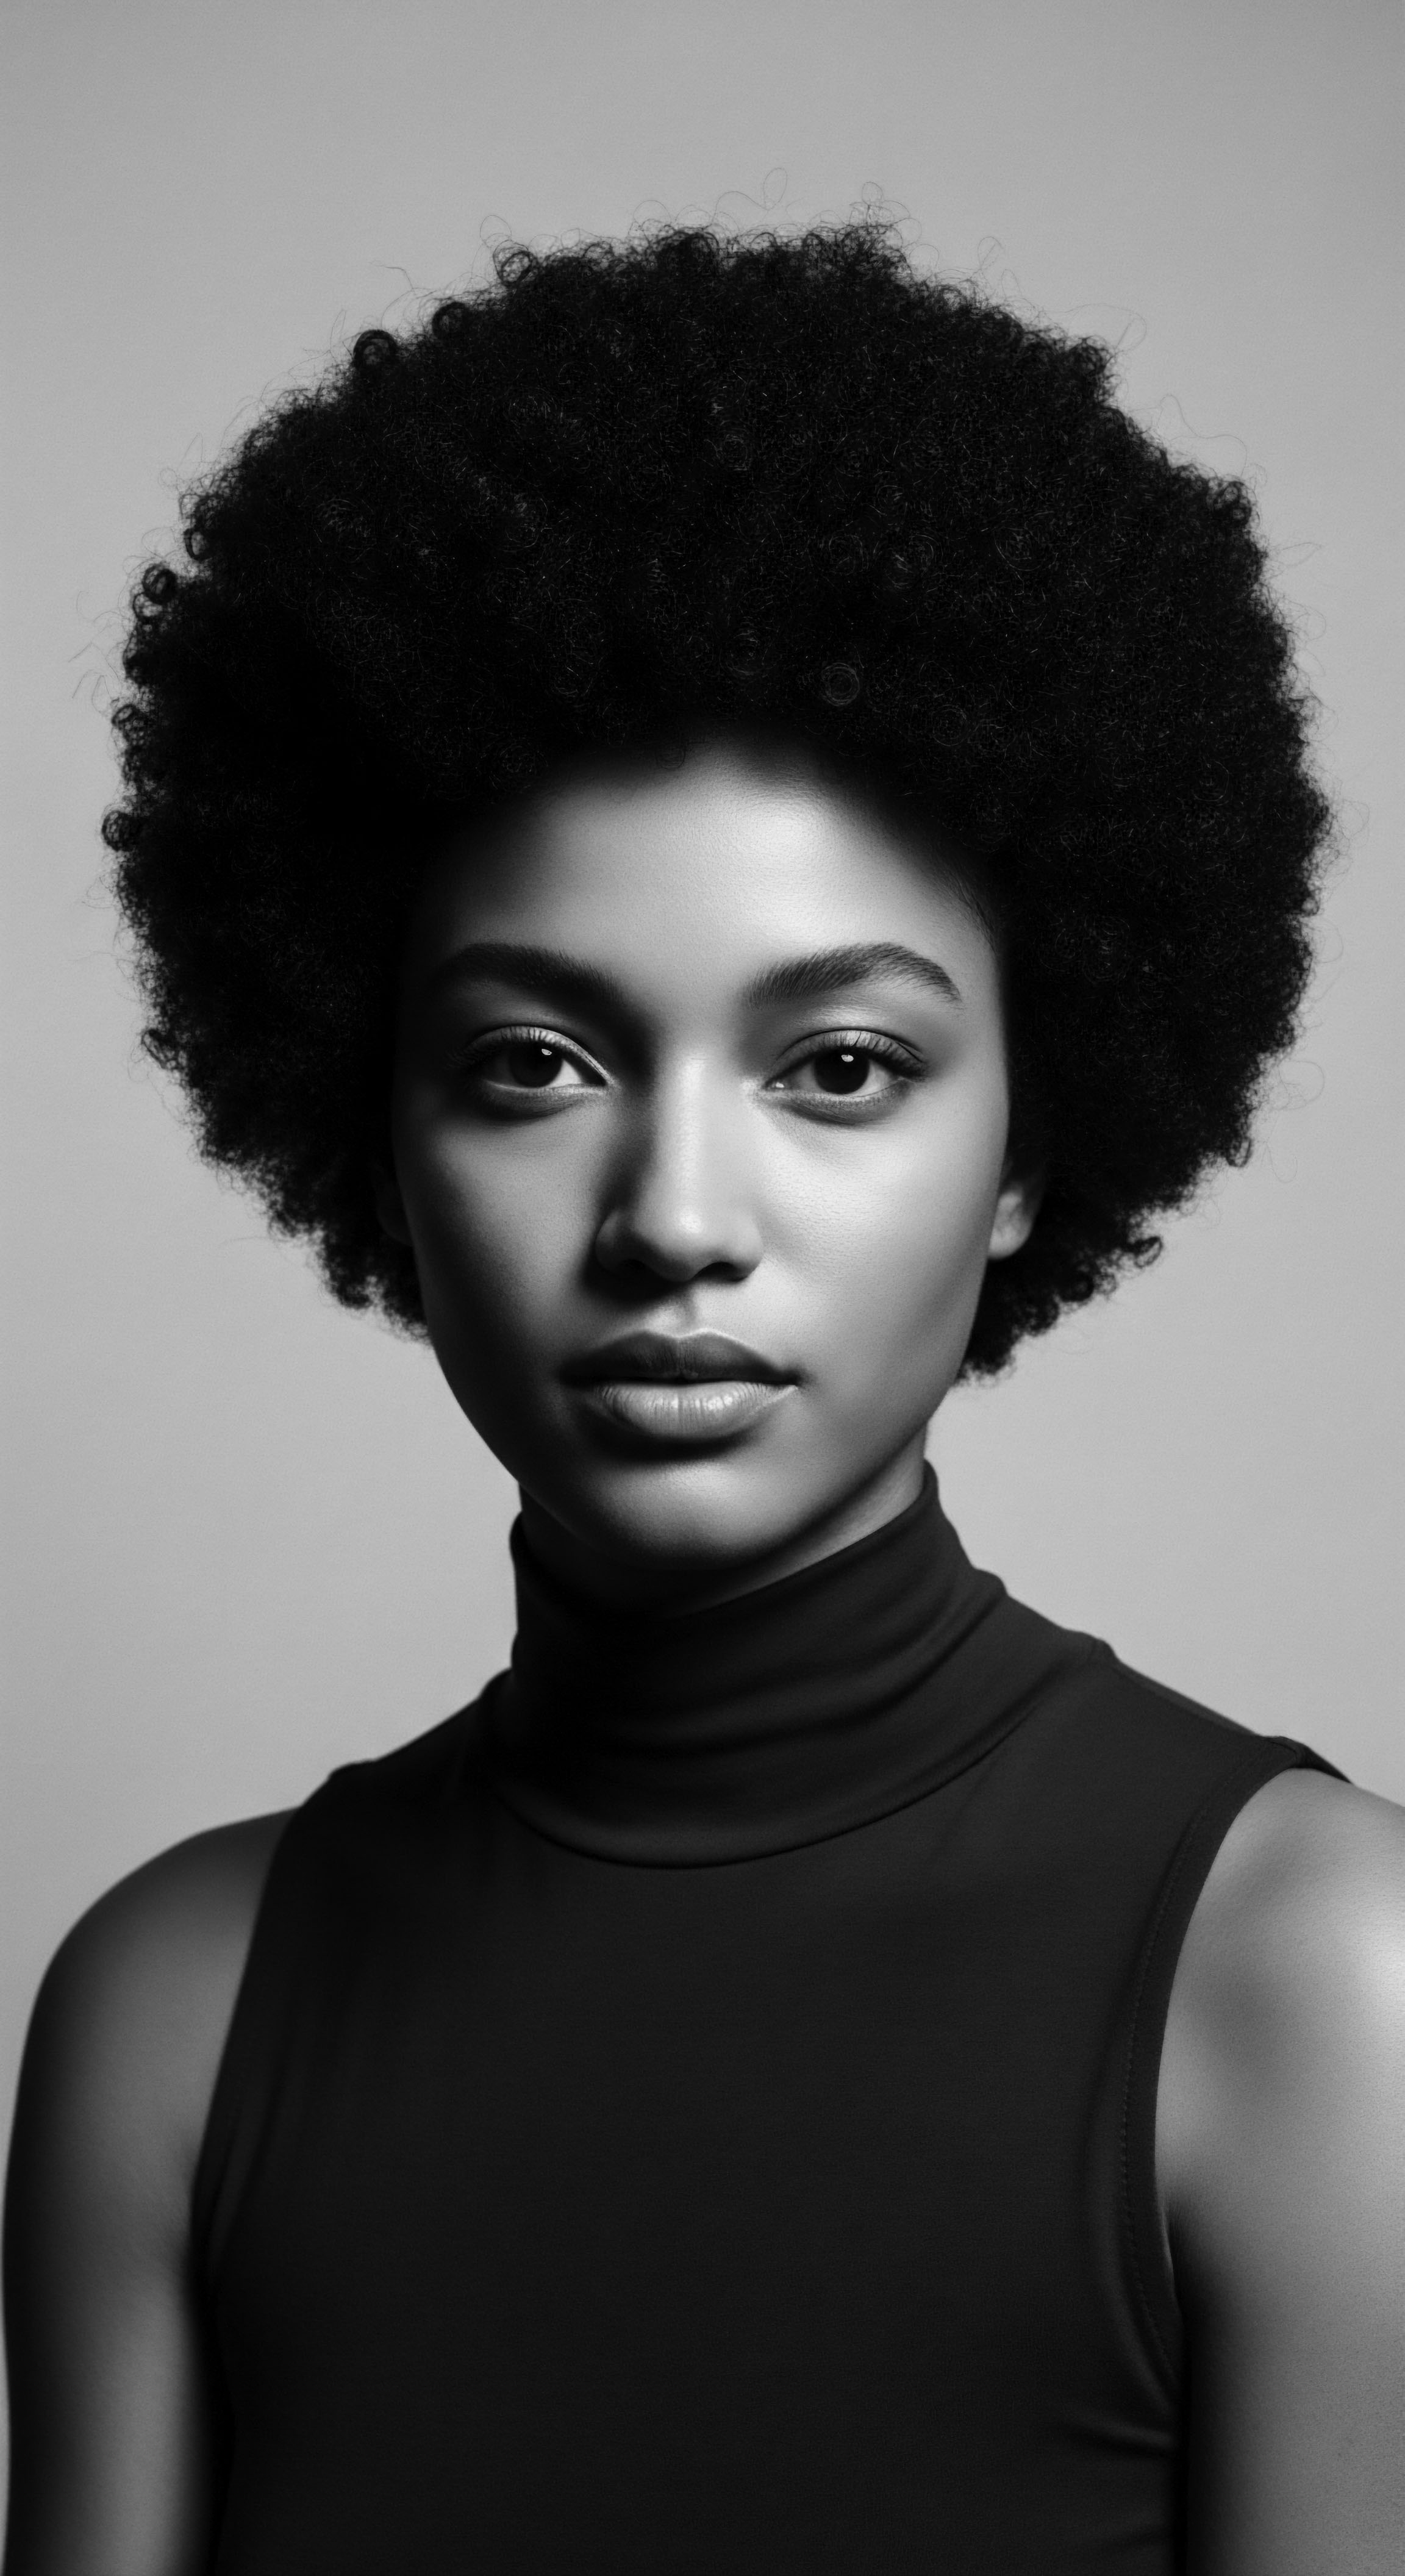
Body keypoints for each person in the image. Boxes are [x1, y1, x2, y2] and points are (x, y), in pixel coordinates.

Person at [3, 221, 1401, 2575]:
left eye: (839, 1067)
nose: (675, 1212)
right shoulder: (173, 2012)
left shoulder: (1324, 1994)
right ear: (377, 1129)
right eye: (535, 1061)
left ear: (1027, 1154)